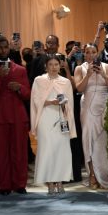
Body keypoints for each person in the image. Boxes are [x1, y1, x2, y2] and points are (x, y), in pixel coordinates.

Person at [0, 35, 31, 195]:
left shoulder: (20, 69)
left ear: (9, 48)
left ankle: (20, 184)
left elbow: (28, 94)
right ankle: (4, 186)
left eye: (5, 47)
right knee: (0, 153)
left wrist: (19, 88)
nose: (3, 50)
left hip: (18, 116)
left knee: (20, 152)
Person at [30, 55, 76, 194]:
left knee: (61, 150)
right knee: (47, 150)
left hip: (61, 117)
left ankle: (60, 182)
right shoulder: (39, 80)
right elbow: (35, 101)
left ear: (60, 66)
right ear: (46, 66)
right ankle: (50, 183)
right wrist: (51, 102)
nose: (54, 67)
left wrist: (62, 105)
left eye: (56, 64)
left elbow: (70, 103)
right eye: (51, 64)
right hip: (45, 117)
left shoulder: (65, 82)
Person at [74, 44, 108, 189]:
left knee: (104, 141)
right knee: (88, 139)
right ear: (84, 54)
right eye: (87, 52)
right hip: (87, 106)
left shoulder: (107, 66)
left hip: (104, 105)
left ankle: (104, 174)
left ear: (98, 53)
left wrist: (102, 74)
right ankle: (92, 174)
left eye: (93, 52)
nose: (90, 55)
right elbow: (79, 88)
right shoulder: (80, 68)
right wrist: (89, 74)